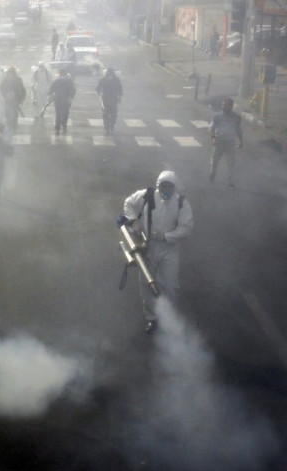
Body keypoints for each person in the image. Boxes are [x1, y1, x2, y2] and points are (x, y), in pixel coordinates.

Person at [122, 171, 194, 333]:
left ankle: (170, 317)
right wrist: (133, 220)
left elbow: (187, 229)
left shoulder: (181, 203)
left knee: (170, 285)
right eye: (163, 186)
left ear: (174, 188)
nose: (166, 190)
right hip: (147, 247)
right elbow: (128, 203)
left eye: (170, 187)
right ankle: (152, 318)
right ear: (158, 186)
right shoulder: (147, 196)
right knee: (146, 284)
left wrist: (165, 236)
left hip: (169, 249)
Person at [208, 97, 243, 188]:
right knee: (215, 161)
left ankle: (230, 181)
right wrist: (213, 137)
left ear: (231, 106)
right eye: (222, 105)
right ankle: (213, 173)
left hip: (231, 143)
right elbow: (211, 128)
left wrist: (241, 141)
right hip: (219, 141)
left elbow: (239, 130)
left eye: (225, 105)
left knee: (231, 163)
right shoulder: (217, 116)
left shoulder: (236, 117)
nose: (223, 107)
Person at [48, 67, 76, 135]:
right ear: (66, 73)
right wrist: (71, 96)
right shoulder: (69, 81)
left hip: (58, 99)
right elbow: (73, 90)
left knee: (58, 114)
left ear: (60, 74)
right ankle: (64, 126)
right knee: (65, 113)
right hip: (66, 100)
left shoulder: (57, 80)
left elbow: (51, 89)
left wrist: (49, 95)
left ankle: (57, 127)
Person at [0, 66, 26, 133]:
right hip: (7, 100)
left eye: (11, 73)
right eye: (9, 73)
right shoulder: (5, 80)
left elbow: (22, 90)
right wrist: (5, 95)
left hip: (16, 99)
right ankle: (8, 125)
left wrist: (21, 99)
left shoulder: (19, 80)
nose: (10, 75)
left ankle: (14, 127)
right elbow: (1, 88)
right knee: (7, 113)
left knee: (15, 114)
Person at [96, 67, 123, 135]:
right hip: (107, 99)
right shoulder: (114, 80)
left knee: (111, 114)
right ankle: (108, 126)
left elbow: (120, 89)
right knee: (108, 114)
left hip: (110, 99)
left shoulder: (113, 80)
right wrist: (100, 92)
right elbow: (98, 88)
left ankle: (110, 125)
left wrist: (99, 92)